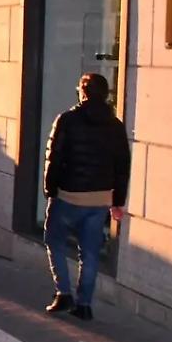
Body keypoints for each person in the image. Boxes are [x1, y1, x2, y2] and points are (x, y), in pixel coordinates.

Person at [42, 73, 130, 321]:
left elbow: (54, 157)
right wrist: (117, 202)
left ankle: (64, 293)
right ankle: (84, 305)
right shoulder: (116, 126)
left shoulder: (68, 120)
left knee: (54, 241)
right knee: (90, 253)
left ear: (83, 92)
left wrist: (50, 190)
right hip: (99, 200)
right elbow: (122, 166)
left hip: (68, 196)